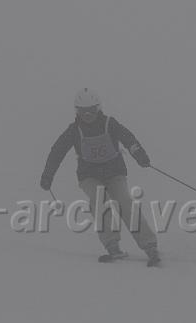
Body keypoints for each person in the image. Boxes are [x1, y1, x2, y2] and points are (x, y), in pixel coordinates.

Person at [40, 88, 160, 266]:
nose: (87, 115)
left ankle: (149, 246)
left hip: (114, 172)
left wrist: (139, 155)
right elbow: (57, 152)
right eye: (83, 111)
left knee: (124, 202)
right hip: (89, 175)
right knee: (99, 200)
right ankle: (112, 245)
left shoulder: (110, 123)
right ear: (77, 111)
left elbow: (129, 139)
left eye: (91, 110)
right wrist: (47, 176)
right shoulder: (74, 130)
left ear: (98, 108)